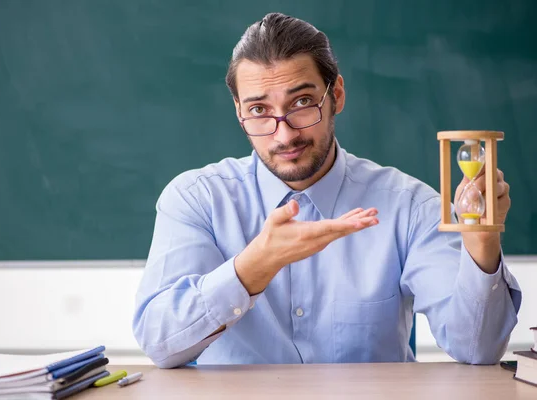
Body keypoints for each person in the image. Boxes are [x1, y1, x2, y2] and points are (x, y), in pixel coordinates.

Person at [132, 12, 521, 368]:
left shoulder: (409, 206)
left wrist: (482, 241)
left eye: (302, 102)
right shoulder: (195, 200)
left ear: (335, 95)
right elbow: (160, 343)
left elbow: (478, 349)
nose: (284, 134)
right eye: (259, 110)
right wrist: (253, 268)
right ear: (239, 112)